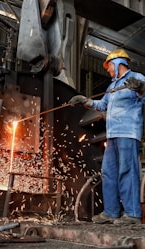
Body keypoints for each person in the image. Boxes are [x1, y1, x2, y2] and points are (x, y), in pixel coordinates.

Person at [69, 49, 145, 224]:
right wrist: (84, 101)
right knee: (108, 172)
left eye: (109, 66)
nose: (108, 70)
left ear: (118, 63)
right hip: (112, 135)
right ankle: (111, 211)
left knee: (127, 171)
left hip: (128, 132)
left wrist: (141, 88)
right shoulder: (112, 86)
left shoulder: (137, 78)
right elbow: (102, 104)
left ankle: (132, 214)